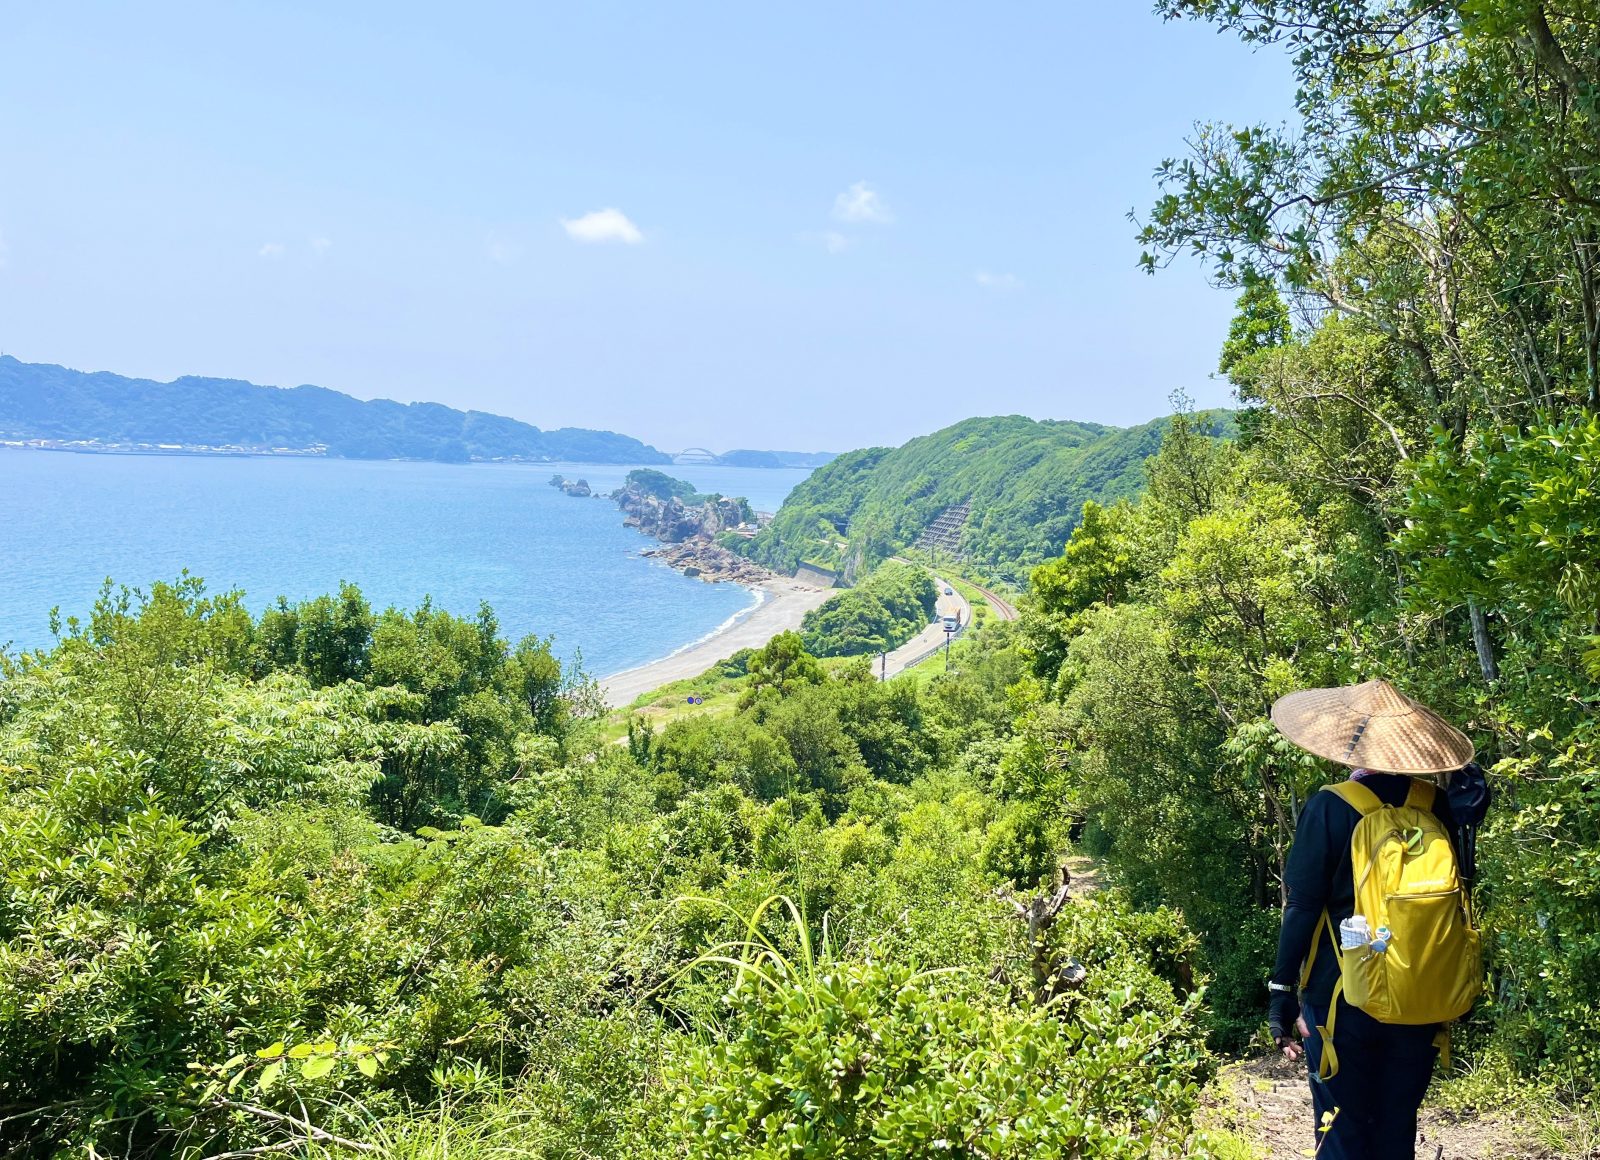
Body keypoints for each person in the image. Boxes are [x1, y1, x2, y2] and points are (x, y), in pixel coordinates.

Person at [1265, 679, 1476, 1160]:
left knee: (1341, 1133)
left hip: (1342, 998)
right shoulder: (1433, 804)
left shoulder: (1331, 806)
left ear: (1351, 741)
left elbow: (1302, 908)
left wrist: (1281, 993)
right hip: (1420, 995)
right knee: (1396, 1130)